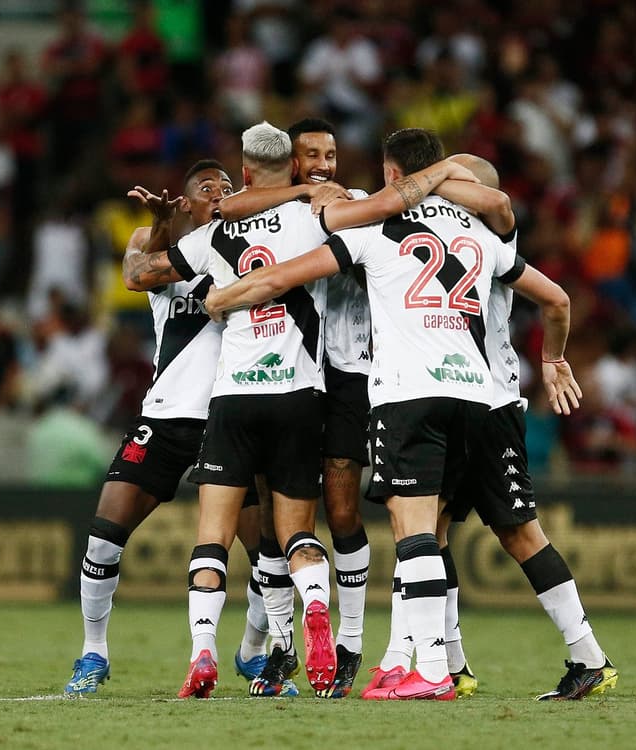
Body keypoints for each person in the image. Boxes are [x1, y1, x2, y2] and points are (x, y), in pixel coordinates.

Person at [204, 128, 581, 702]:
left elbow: (283, 261)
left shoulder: (373, 224)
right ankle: (444, 660)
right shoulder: (484, 232)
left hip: (411, 391)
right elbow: (552, 291)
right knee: (462, 532)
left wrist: (229, 296)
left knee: (421, 533)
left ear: (389, 174)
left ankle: (426, 668)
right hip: (485, 395)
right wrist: (553, 357)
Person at [63, 160, 288, 696]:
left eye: (227, 187)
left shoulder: (247, 247)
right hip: (164, 415)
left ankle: (252, 655)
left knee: (267, 552)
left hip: (230, 417)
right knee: (103, 536)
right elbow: (134, 276)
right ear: (185, 201)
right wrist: (164, 222)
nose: (220, 193)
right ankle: (94, 652)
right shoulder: (156, 240)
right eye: (207, 188)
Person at [433, 153, 618, 701]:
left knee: (518, 533)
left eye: (456, 182)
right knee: (431, 530)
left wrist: (550, 359)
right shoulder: (442, 235)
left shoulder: (493, 234)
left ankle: (588, 655)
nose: (444, 190)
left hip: (490, 406)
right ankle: (452, 664)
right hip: (452, 401)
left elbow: (556, 301)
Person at [214, 116, 373, 699]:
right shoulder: (281, 208)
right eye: (313, 156)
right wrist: (301, 192)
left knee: (341, 510)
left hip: (349, 372)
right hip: (291, 381)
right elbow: (227, 209)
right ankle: (280, 647)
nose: (325, 165)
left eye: (332, 154)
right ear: (295, 163)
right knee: (280, 522)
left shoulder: (349, 202)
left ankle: (349, 643)